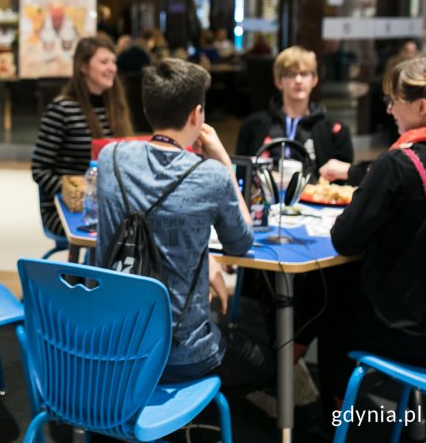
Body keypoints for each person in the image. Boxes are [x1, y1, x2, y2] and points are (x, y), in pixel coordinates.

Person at [96, 58, 273, 387]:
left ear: (147, 110)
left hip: (112, 344)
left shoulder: (110, 158)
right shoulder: (211, 176)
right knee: (265, 362)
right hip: (183, 357)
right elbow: (242, 241)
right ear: (196, 114)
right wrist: (223, 162)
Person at [320, 52, 426, 412]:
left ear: (422, 106)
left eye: (395, 101)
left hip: (407, 333)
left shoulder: (400, 163)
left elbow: (344, 238)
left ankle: (335, 417)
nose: (389, 109)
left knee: (328, 302)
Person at [32, 36, 133, 238]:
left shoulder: (115, 108)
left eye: (114, 62)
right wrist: (77, 192)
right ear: (83, 67)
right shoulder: (62, 110)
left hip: (108, 205)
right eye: (104, 62)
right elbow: (39, 170)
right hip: (65, 208)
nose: (112, 68)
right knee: (118, 233)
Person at [236, 45, 354, 177]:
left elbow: (342, 184)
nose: (298, 80)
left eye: (304, 74)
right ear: (278, 81)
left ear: (314, 80)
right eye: (291, 74)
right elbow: (242, 174)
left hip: (313, 195)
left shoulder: (335, 131)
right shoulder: (253, 125)